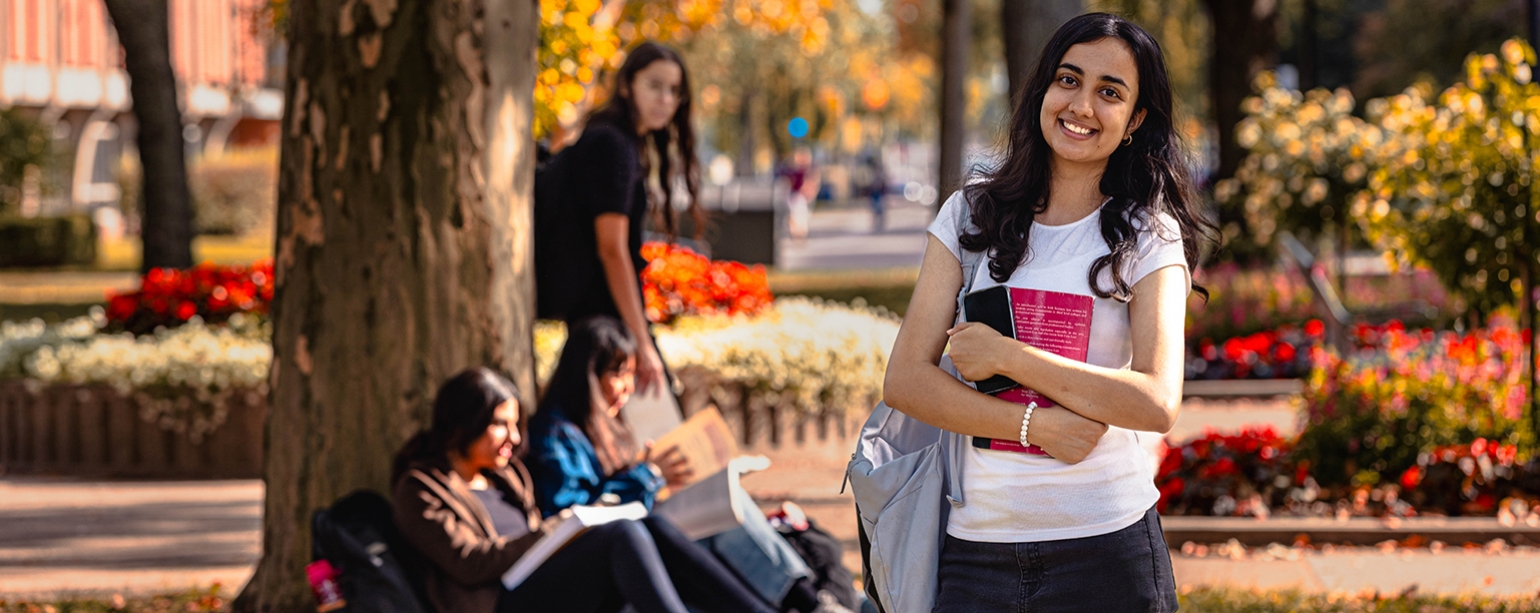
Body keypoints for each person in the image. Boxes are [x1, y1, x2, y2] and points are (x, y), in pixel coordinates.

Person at [880, 13, 1216, 612]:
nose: (1081, 105)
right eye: (1069, 79)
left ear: (1135, 119)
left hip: (1107, 554)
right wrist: (1034, 427)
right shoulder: (969, 217)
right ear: (1043, 90)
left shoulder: (1149, 236)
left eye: (1109, 92)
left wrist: (1010, 358)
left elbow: (1157, 402)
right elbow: (905, 379)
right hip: (976, 554)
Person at [390, 367, 777, 613]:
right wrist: (552, 530)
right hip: (498, 604)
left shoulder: (505, 476)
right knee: (621, 536)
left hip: (538, 584)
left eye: (515, 425)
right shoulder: (421, 490)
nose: (513, 437)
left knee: (651, 526)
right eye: (498, 425)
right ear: (462, 424)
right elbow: (469, 563)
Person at [527, 317, 840, 613]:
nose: (627, 388)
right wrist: (646, 476)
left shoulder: (603, 427)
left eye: (631, 376)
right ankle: (807, 602)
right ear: (587, 375)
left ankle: (803, 601)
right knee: (709, 522)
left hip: (635, 541)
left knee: (723, 505)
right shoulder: (555, 437)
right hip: (605, 562)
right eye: (618, 374)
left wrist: (650, 477)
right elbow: (572, 517)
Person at [548, 41, 702, 397]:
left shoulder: (621, 143)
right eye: (655, 85)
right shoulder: (612, 146)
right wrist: (641, 343)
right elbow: (611, 249)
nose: (665, 99)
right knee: (652, 421)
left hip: (600, 318)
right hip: (602, 323)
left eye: (674, 91)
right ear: (625, 86)